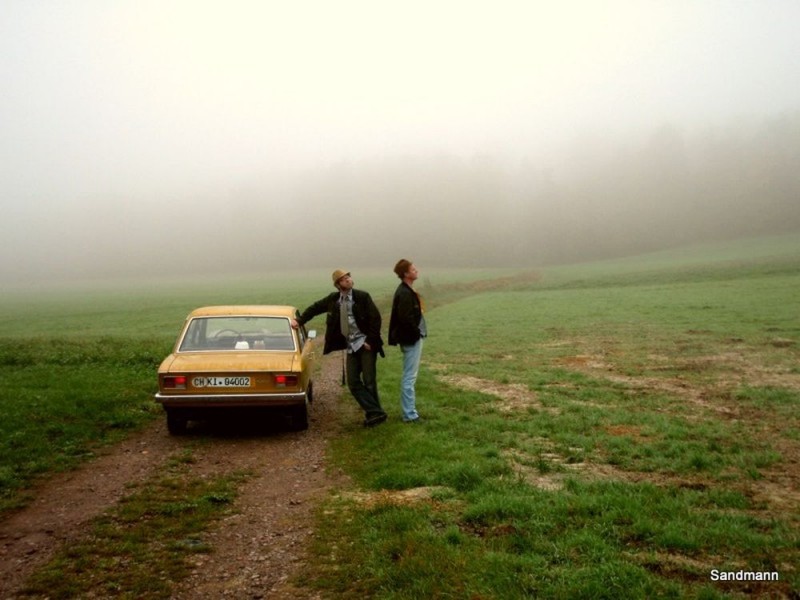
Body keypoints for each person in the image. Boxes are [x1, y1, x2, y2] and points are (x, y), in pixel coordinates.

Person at [292, 269, 388, 427]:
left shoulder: (362, 297)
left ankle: (374, 415)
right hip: (351, 346)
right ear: (338, 285)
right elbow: (315, 308)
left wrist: (370, 340)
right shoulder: (333, 300)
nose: (349, 280)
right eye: (344, 279)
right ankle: (376, 411)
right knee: (353, 382)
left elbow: (375, 319)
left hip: (365, 344)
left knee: (369, 381)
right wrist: (300, 320)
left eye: (349, 277)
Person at [388, 259, 426, 423]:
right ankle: (409, 415)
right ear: (405, 274)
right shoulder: (404, 293)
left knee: (410, 376)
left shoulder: (407, 290)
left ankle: (409, 412)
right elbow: (405, 319)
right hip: (411, 339)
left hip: (412, 337)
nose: (416, 270)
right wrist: (416, 333)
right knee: (409, 377)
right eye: (413, 269)